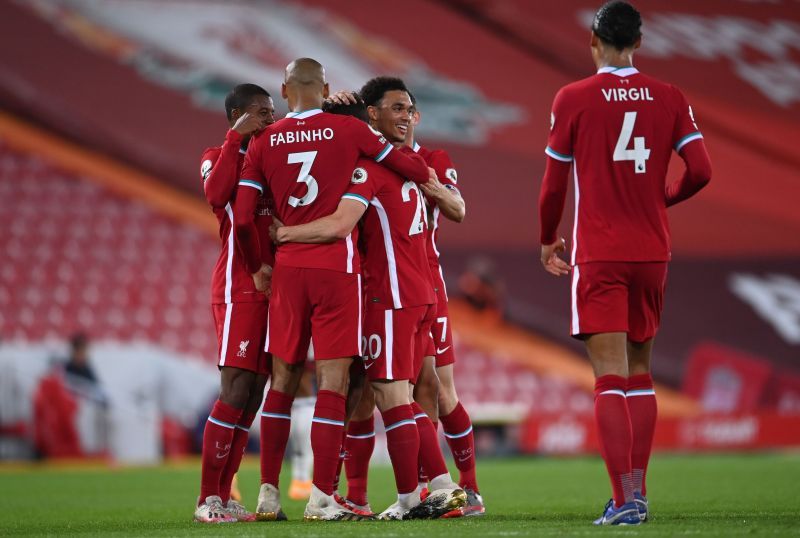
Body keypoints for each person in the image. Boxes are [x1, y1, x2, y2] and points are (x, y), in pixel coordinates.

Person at [233, 58, 433, 521]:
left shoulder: (264, 141)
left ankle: (268, 493)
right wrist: (432, 183)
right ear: (324, 88)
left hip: (286, 272)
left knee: (282, 382)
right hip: (336, 268)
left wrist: (256, 265)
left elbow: (244, 217)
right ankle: (323, 497)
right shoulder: (350, 133)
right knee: (333, 383)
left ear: (284, 91)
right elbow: (399, 160)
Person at [538, 1, 712, 526]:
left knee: (608, 378)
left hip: (601, 251)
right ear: (639, 42)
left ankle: (625, 499)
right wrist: (662, 200)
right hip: (652, 251)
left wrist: (548, 240)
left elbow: (552, 186)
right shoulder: (670, 97)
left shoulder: (573, 98)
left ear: (594, 42)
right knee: (641, 373)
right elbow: (701, 170)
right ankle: (637, 494)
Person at [272, 80, 466, 520]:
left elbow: (340, 224)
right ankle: (429, 488)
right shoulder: (413, 166)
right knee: (401, 392)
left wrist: (285, 233)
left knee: (391, 393)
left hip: (391, 294)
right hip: (419, 294)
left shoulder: (368, 172)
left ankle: (423, 493)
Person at [194, 83, 275, 524]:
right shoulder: (216, 154)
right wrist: (235, 140)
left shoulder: (274, 154)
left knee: (254, 395)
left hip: (275, 288)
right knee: (236, 388)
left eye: (271, 111)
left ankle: (224, 496)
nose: (269, 118)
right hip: (239, 285)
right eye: (260, 112)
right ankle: (207, 499)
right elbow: (215, 196)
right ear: (236, 116)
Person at [406, 98, 485, 517]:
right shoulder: (367, 157)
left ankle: (468, 487)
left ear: (417, 116)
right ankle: (424, 486)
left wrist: (428, 182)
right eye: (393, 109)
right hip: (380, 286)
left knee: (438, 386)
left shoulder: (433, 158)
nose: (402, 117)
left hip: (428, 284)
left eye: (408, 110)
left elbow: (457, 209)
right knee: (393, 389)